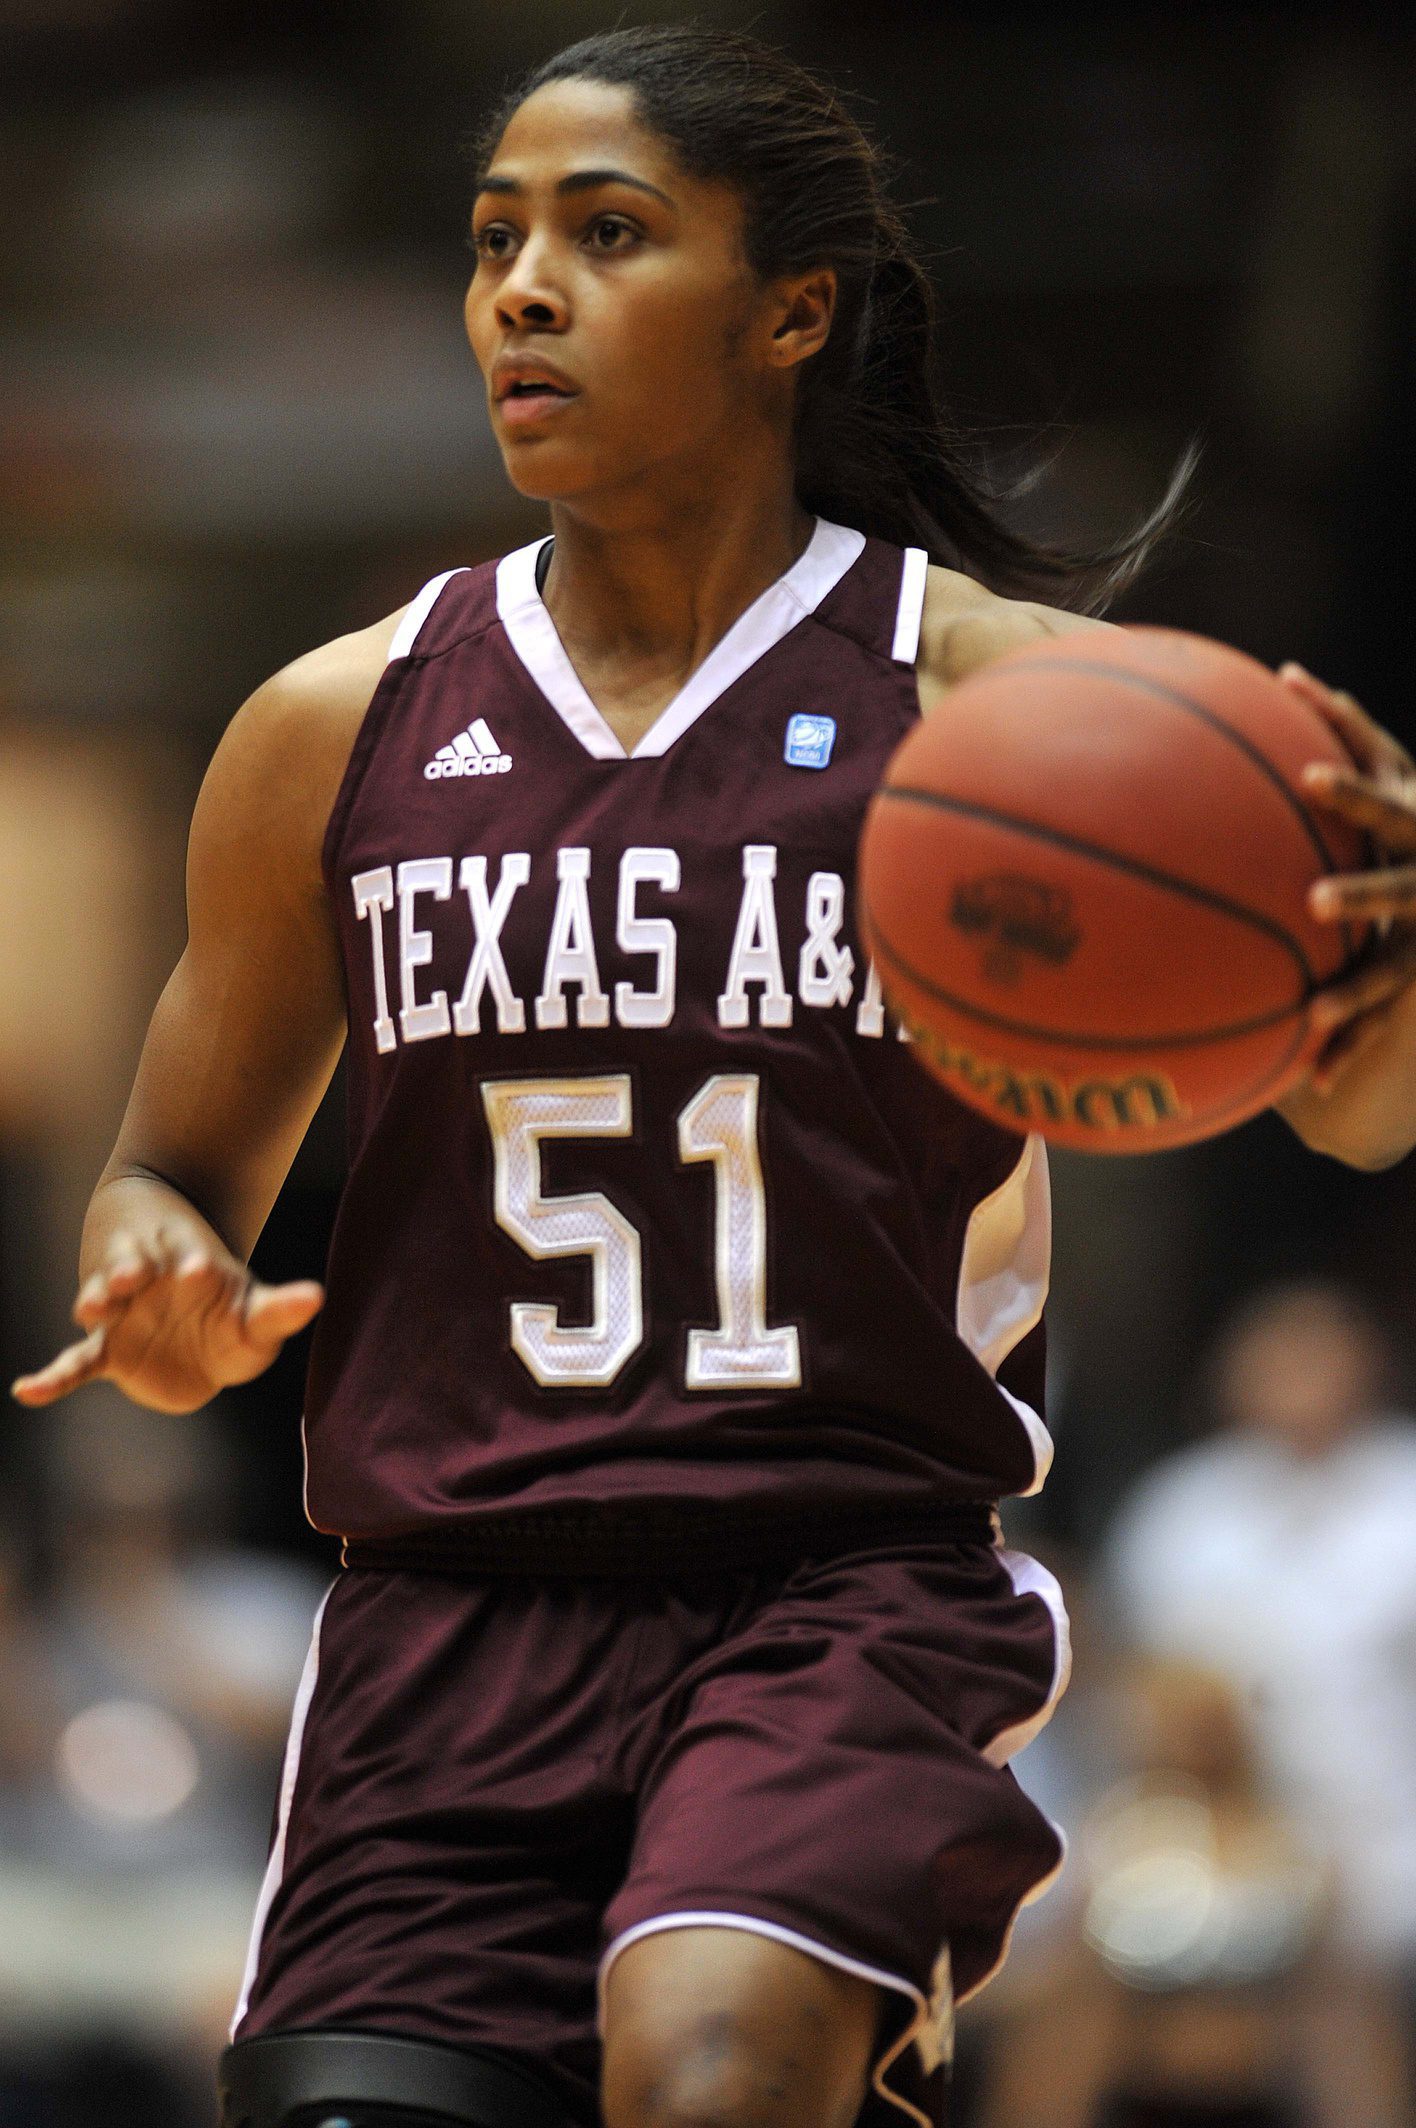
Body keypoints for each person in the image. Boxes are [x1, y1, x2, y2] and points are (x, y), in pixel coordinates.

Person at [12, 25, 1416, 2128]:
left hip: (839, 1591)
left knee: (716, 2063)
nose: (521, 287)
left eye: (607, 231)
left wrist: (1377, 974)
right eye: (494, 239)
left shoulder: (1006, 708)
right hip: (441, 1619)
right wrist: (163, 1279)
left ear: (792, 311)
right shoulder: (334, 722)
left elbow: (1354, 1116)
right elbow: (165, 1177)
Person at [1102, 1281, 1416, 1997]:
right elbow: (1150, 1701)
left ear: (1367, 1364)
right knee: (1082, 1978)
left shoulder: (1408, 1488)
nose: (1296, 1376)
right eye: (1275, 1356)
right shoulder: (1181, 1508)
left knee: (1347, 1984)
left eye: (1317, 1355)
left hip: (1391, 1837)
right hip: (1225, 1842)